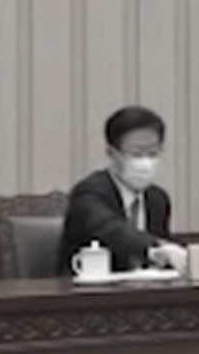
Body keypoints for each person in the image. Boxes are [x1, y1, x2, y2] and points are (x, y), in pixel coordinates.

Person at [60, 106, 190, 273]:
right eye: (136, 154)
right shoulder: (89, 192)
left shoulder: (157, 199)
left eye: (153, 153)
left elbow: (165, 250)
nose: (146, 163)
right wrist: (155, 246)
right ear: (112, 153)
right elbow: (111, 228)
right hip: (90, 287)